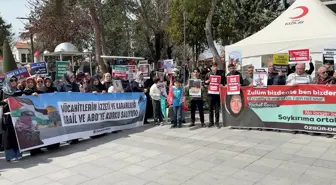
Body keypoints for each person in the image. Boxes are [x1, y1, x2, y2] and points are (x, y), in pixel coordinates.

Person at [1, 76, 23, 161]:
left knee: (18, 135)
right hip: (8, 117)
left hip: (18, 116)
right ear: (7, 81)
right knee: (9, 136)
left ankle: (19, 153)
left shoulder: (18, 91)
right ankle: (10, 155)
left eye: (15, 80)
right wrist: (4, 102)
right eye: (11, 80)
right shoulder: (3, 92)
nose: (13, 82)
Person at [56, 72, 80, 144]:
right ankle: (69, 138)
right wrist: (66, 94)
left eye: (73, 77)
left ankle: (75, 137)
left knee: (74, 122)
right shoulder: (62, 84)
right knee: (67, 122)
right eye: (71, 77)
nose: (72, 79)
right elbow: (58, 94)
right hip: (65, 107)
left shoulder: (75, 85)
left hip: (74, 107)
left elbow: (78, 94)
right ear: (67, 77)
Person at [205, 63, 224, 128]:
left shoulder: (220, 74)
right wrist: (206, 82)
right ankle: (211, 122)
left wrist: (222, 85)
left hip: (217, 94)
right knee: (210, 108)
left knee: (217, 109)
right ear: (211, 68)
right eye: (213, 66)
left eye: (215, 66)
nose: (214, 67)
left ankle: (217, 122)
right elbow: (204, 82)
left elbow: (223, 82)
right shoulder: (208, 74)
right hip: (210, 94)